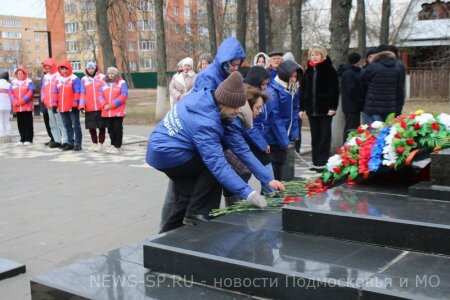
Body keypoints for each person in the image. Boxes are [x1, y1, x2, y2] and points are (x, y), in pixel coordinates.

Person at [147, 72, 284, 233]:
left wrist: (267, 179)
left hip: (161, 150)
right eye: (235, 107)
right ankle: (197, 215)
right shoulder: (207, 123)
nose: (237, 111)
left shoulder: (216, 107)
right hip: (169, 153)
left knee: (188, 195)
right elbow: (218, 166)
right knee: (213, 168)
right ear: (225, 103)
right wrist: (249, 194)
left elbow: (242, 149)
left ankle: (164, 237)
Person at [223, 87, 277, 205]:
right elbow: (243, 151)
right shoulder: (235, 120)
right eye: (258, 107)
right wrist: (267, 180)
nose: (261, 111)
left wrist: (268, 179)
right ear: (248, 105)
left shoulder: (241, 118)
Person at [300, 45, 339, 171]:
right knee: (315, 136)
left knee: (324, 137)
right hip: (312, 109)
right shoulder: (308, 71)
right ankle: (316, 162)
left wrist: (333, 106)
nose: (314, 57)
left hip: (325, 110)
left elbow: (335, 89)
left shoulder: (329, 69)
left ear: (322, 55)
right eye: (312, 54)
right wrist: (302, 108)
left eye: (317, 54)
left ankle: (323, 163)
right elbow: (303, 90)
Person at [265, 60, 302, 180]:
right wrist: (284, 140)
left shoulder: (294, 89)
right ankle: (272, 192)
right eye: (291, 76)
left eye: (295, 76)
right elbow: (274, 117)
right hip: (273, 135)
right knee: (276, 163)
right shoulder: (274, 90)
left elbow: (295, 111)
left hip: (284, 134)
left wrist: (294, 133)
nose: (293, 79)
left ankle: (276, 190)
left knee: (281, 162)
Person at [361, 45, 403, 125]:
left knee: (373, 133)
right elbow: (399, 87)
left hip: (373, 106)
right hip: (390, 106)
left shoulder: (373, 66)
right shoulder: (396, 67)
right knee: (386, 132)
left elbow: (362, 78)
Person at [53, 60, 82, 151]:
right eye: (62, 69)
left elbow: (78, 91)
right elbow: (55, 93)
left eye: (66, 69)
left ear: (69, 68)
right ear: (60, 70)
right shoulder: (58, 80)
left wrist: (75, 103)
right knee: (67, 126)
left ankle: (78, 143)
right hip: (62, 107)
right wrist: (55, 104)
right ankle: (70, 142)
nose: (64, 71)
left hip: (72, 107)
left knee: (75, 125)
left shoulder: (74, 78)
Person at [99, 67, 128, 153]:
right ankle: (112, 144)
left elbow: (123, 96)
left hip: (118, 111)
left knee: (117, 129)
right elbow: (99, 95)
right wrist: (104, 105)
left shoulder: (122, 83)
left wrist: (111, 105)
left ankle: (117, 146)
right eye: (109, 73)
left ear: (116, 74)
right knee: (110, 129)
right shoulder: (103, 83)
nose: (110, 75)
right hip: (107, 111)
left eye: (112, 73)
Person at [80, 61, 106, 152]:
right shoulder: (83, 79)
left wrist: (105, 104)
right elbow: (82, 93)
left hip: (100, 107)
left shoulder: (102, 77)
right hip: (89, 107)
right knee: (91, 127)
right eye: (89, 68)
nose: (91, 70)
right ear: (87, 69)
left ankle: (100, 144)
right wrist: (82, 106)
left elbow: (106, 91)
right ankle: (94, 143)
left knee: (101, 126)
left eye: (92, 68)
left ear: (95, 68)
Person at [41, 58, 68, 149]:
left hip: (57, 104)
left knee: (61, 123)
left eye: (49, 67)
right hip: (48, 104)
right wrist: (43, 99)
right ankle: (56, 140)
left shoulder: (58, 75)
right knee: (52, 123)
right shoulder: (45, 77)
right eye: (46, 68)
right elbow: (43, 90)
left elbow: (60, 90)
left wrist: (58, 102)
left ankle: (64, 140)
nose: (48, 69)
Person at [338, 52, 364, 143]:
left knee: (353, 127)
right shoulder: (349, 73)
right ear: (357, 61)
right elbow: (351, 90)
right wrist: (360, 99)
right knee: (351, 128)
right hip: (351, 106)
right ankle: (347, 145)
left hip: (352, 106)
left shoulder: (352, 71)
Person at [9, 66, 35, 145]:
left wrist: (23, 101)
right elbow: (10, 93)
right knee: (20, 123)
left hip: (26, 106)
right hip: (17, 107)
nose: (20, 75)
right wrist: (14, 101)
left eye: (21, 73)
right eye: (18, 73)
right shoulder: (13, 82)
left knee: (28, 123)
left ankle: (28, 139)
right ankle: (22, 138)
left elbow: (31, 91)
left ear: (24, 74)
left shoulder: (29, 81)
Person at [0, 71, 12, 142]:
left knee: (0, 121)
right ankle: (9, 134)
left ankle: (1, 135)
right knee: (6, 121)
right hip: (7, 105)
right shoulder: (9, 84)